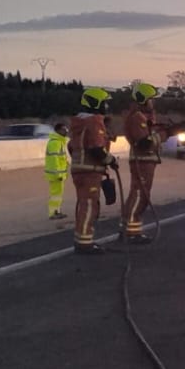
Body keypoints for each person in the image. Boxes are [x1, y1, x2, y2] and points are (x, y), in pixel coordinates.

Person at [69, 87, 114, 254]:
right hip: (90, 170)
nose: (106, 107)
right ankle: (85, 243)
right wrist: (111, 160)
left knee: (82, 204)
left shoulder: (77, 122)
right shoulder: (94, 121)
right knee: (89, 205)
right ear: (95, 103)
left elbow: (71, 146)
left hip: (78, 170)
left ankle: (81, 238)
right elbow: (96, 148)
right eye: (104, 103)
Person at [121, 80, 165, 245]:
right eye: (151, 99)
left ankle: (132, 230)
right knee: (139, 196)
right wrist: (164, 135)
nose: (153, 102)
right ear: (143, 100)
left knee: (141, 196)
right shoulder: (137, 117)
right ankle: (130, 232)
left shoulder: (145, 117)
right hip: (142, 161)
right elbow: (143, 142)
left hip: (147, 161)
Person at [44, 121, 70, 220]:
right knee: (55, 194)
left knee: (57, 194)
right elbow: (55, 160)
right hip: (56, 174)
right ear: (58, 130)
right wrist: (58, 174)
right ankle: (53, 212)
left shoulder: (59, 141)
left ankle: (57, 211)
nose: (66, 131)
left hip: (58, 174)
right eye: (64, 129)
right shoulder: (55, 142)